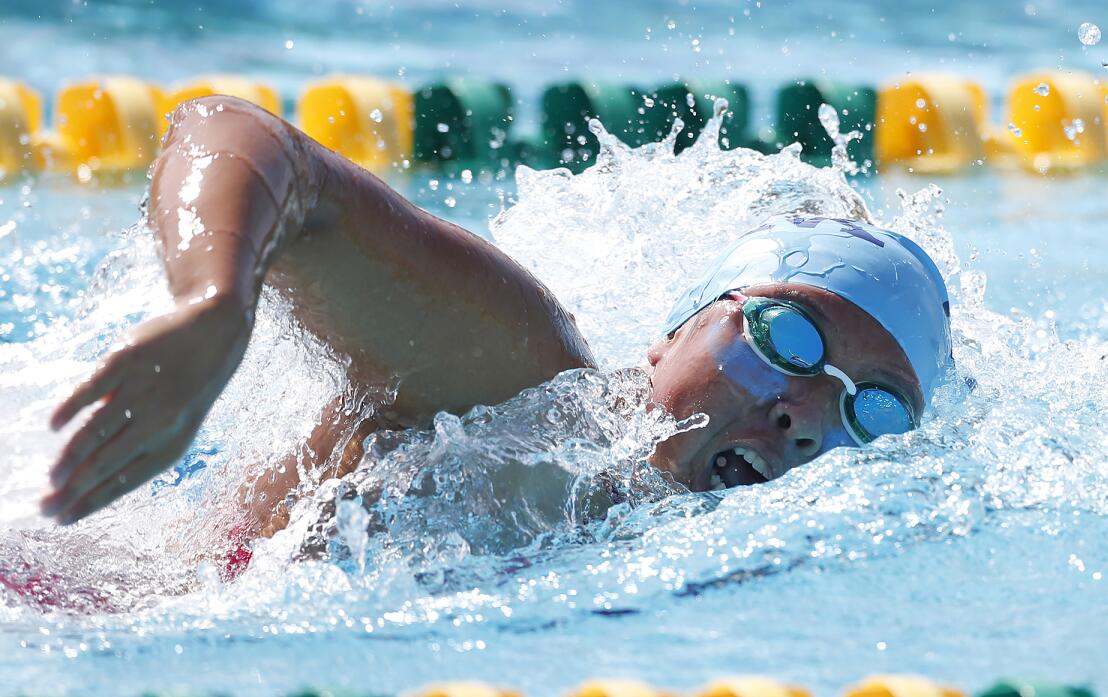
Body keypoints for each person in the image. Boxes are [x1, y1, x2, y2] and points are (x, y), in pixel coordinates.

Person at [39, 96, 953, 537]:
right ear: (677, 330)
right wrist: (216, 299)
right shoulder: (521, 387)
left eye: (871, 408)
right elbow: (236, 137)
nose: (804, 415)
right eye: (789, 336)